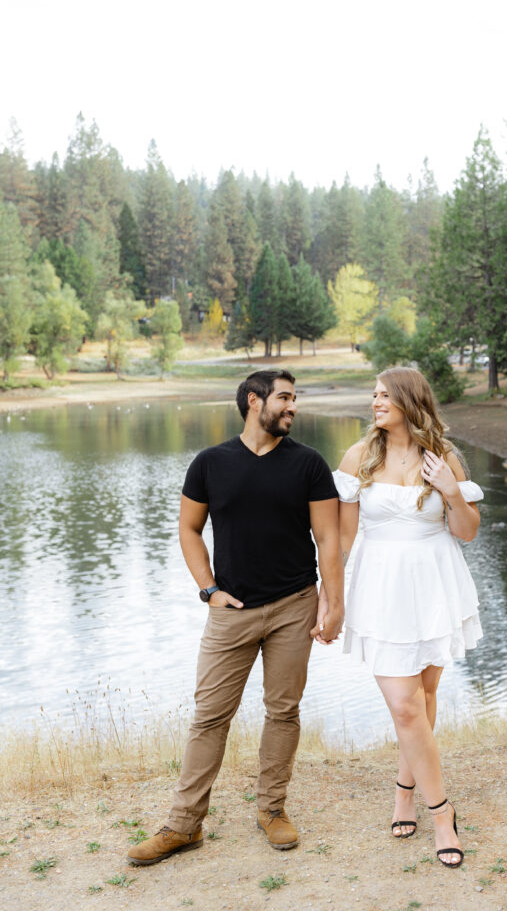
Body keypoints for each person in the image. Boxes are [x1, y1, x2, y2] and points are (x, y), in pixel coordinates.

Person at [128, 369, 344, 866]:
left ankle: (272, 810)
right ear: (254, 401)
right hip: (232, 612)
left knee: (283, 711)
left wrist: (334, 603)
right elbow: (188, 528)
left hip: (294, 606)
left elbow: (328, 540)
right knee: (209, 717)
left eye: (295, 398)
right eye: (285, 398)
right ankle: (183, 825)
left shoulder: (310, 465)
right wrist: (209, 590)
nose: (293, 407)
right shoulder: (210, 463)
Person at [333, 366, 483, 869]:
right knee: (405, 705)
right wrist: (329, 594)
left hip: (435, 584)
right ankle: (442, 812)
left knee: (424, 696)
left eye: (383, 396)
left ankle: (404, 790)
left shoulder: (444, 458)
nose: (374, 403)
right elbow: (344, 538)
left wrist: (451, 489)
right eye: (372, 395)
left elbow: (466, 532)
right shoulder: (359, 457)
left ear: (408, 400)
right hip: (381, 589)